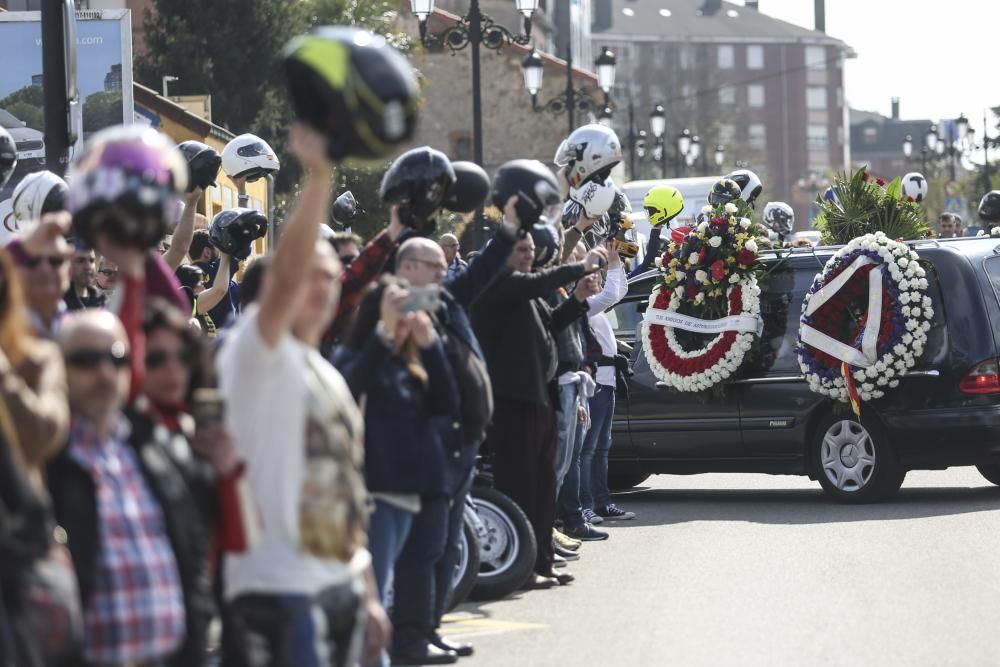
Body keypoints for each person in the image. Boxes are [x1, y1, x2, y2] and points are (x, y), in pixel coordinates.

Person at [217, 123, 389, 667]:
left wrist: (366, 590)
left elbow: (342, 487)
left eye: (328, 277)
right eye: (304, 278)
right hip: (278, 589)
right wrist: (319, 175)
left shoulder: (329, 374)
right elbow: (286, 271)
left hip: (339, 583)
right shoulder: (254, 356)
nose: (318, 286)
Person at [47, 309, 216, 666]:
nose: (104, 372)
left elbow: (193, 559)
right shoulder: (44, 464)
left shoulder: (154, 449)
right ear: (57, 369)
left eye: (116, 358)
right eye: (85, 360)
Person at [391, 209, 520, 660]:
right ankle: (409, 636)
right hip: (431, 445)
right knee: (424, 549)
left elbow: (484, 268)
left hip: (464, 440)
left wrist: (509, 229)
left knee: (446, 544)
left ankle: (430, 628)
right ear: (408, 269)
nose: (446, 271)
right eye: (435, 266)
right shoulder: (397, 306)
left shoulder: (444, 299)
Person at [333, 276, 458, 667]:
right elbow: (351, 388)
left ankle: (413, 643)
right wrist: (384, 335)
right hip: (380, 493)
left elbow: (447, 403)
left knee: (419, 570)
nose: (405, 323)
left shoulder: (410, 363)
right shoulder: (355, 357)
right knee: (377, 587)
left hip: (419, 487)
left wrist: (430, 345)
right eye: (395, 316)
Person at [471, 234, 605, 589]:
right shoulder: (498, 285)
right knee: (520, 488)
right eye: (522, 250)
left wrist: (578, 298)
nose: (530, 256)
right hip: (510, 403)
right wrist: (579, 267)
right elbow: (539, 281)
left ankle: (543, 564)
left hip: (540, 401)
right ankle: (523, 567)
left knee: (544, 488)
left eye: (531, 250)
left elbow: (554, 323)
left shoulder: (529, 294)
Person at [579, 246, 634, 524]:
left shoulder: (593, 307)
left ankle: (602, 502)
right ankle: (585, 504)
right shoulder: (583, 305)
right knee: (589, 449)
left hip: (607, 382)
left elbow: (619, 291)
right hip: (596, 383)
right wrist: (612, 262)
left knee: (602, 447)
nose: (597, 280)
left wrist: (617, 266)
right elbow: (613, 294)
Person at [190, 229, 240, 329]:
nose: (220, 253)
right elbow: (237, 251)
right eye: (218, 248)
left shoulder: (184, 275)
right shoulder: (217, 270)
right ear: (207, 252)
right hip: (224, 339)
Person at [175, 254, 232, 337]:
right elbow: (220, 290)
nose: (204, 285)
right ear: (190, 286)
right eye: (200, 283)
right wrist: (226, 256)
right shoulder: (190, 303)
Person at [64, 246, 106, 311]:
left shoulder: (103, 301)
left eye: (91, 261)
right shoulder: (58, 304)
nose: (88, 267)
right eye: (80, 261)